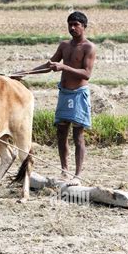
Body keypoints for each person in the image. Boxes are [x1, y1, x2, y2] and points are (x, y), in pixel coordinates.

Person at [11, 11, 95, 186]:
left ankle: (77, 175)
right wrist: (25, 73)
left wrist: (64, 67)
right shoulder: (64, 45)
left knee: (78, 135)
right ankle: (65, 171)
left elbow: (86, 74)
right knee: (61, 133)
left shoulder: (89, 48)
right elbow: (49, 66)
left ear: (84, 26)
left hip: (78, 94)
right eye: (70, 24)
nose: (72, 28)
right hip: (64, 93)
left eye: (76, 24)